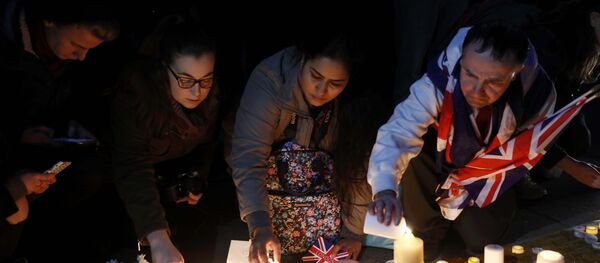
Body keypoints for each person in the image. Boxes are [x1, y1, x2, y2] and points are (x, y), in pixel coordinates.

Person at [367, 21, 560, 260]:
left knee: (482, 239)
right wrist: (385, 189)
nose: (477, 90)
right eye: (469, 74)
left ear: (516, 72)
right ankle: (429, 231)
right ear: (462, 61)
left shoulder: (536, 96)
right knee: (414, 160)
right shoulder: (439, 81)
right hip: (437, 160)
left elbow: (531, 146)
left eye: (495, 82)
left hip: (487, 172)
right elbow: (400, 130)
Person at [229, 22, 376, 262]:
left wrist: (353, 233)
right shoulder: (271, 80)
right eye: (315, 76)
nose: (321, 90)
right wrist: (259, 225)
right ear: (302, 60)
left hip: (324, 215)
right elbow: (248, 158)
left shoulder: (358, 101)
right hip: (269, 202)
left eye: (335, 84)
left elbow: (358, 165)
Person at [111, 15, 219, 263]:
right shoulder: (136, 95)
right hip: (130, 191)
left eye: (206, 80)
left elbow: (207, 143)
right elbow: (132, 166)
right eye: (185, 80)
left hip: (173, 183)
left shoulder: (211, 95)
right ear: (163, 69)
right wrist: (157, 237)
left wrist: (197, 175)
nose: (197, 91)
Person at [528, 0, 600, 189]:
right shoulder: (551, 47)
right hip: (510, 123)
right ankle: (518, 176)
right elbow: (521, 126)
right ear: (594, 18)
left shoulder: (586, 44)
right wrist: (572, 166)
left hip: (550, 102)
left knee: (578, 139)